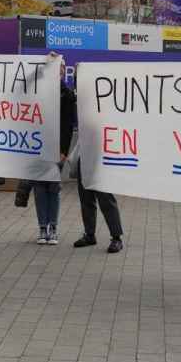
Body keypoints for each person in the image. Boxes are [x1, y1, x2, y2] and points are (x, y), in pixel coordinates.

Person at [71, 75, 125, 254]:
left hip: (102, 158)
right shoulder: (78, 102)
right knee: (86, 198)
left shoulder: (105, 104)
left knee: (105, 198)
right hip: (84, 155)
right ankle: (89, 234)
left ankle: (116, 237)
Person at [31, 68, 74, 245]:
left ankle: (53, 227)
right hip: (38, 145)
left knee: (53, 188)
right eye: (53, 71)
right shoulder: (38, 90)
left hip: (56, 148)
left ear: (64, 74)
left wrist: (64, 150)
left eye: (60, 71)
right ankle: (43, 227)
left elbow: (68, 125)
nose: (57, 74)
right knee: (39, 188)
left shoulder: (67, 94)